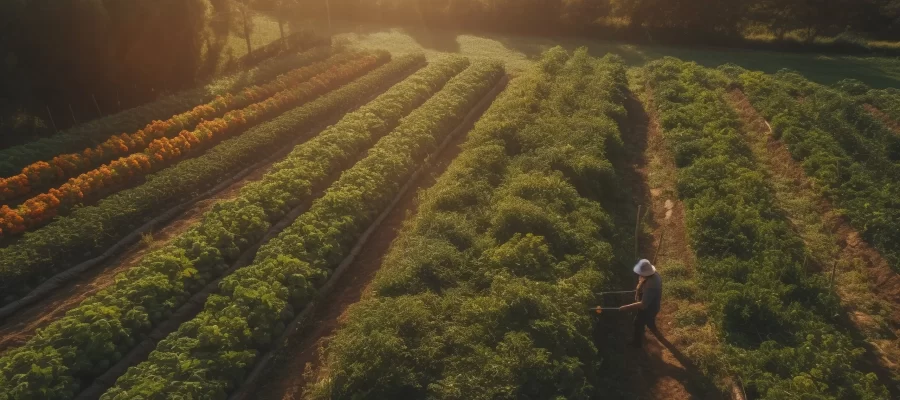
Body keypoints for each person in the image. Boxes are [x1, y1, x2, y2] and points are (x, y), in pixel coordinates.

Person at [618, 259, 663, 347]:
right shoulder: (652, 275)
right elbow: (641, 282)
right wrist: (638, 290)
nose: (639, 275)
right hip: (652, 304)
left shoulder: (652, 284)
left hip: (650, 308)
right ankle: (657, 333)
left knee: (638, 323)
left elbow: (643, 304)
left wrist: (626, 307)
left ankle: (637, 344)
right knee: (650, 322)